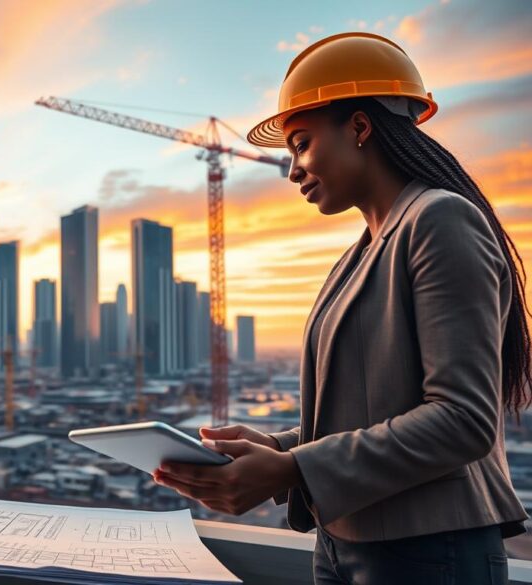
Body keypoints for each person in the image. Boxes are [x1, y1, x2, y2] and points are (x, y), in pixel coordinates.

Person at [152, 32, 530, 584]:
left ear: (359, 127)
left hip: (428, 548)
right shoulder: (358, 255)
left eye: (301, 144)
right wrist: (277, 448)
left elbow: (462, 420)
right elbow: (371, 414)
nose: (292, 170)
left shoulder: (439, 220)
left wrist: (293, 467)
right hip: (343, 542)